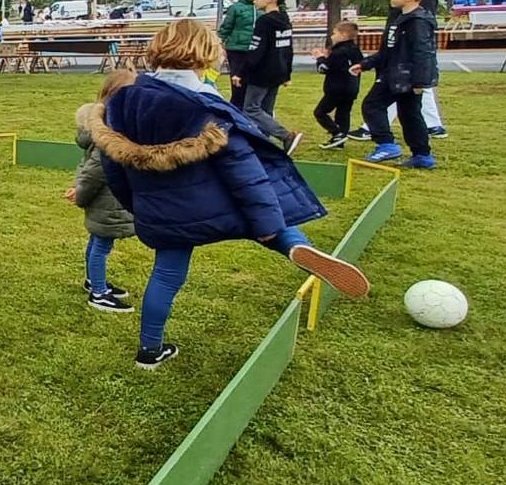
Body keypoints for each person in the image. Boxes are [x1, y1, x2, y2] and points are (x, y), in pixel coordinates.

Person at [86, 19, 368, 368]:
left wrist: (137, 205)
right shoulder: (209, 108)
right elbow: (247, 175)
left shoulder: (125, 99)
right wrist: (265, 223)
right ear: (205, 56)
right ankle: (291, 244)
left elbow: (114, 163)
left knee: (167, 274)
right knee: (262, 219)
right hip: (208, 206)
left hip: (159, 209)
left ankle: (149, 351)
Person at [69, 68, 138, 313]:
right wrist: (80, 192)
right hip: (107, 199)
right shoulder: (110, 131)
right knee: (102, 243)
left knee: (98, 239)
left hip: (109, 196)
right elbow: (95, 169)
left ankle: (93, 281)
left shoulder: (107, 124)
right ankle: (98, 293)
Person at [358, 0, 439, 168]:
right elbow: (389, 49)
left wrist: (420, 81)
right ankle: (422, 155)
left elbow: (423, 52)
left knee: (372, 105)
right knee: (409, 114)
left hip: (404, 76)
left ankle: (386, 144)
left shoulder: (418, 22)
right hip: (395, 72)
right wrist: (366, 64)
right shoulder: (400, 18)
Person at [386, 0, 447, 136]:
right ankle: (433, 124)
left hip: (410, 43)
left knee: (410, 83)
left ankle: (374, 125)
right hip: (404, 40)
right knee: (410, 84)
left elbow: (420, 18)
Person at [237, 0, 300, 151]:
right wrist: (287, 73)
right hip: (277, 71)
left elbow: (256, 50)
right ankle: (263, 144)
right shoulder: (285, 19)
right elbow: (288, 48)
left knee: (251, 109)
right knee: (266, 109)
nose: (254, 1)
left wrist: (241, 72)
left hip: (262, 72)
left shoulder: (264, 22)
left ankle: (285, 136)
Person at [313, 20, 363, 148]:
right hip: (352, 87)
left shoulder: (339, 52)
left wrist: (320, 58)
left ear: (344, 35)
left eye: (334, 33)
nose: (332, 36)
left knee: (320, 112)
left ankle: (337, 133)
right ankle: (339, 142)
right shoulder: (355, 50)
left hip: (336, 88)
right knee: (343, 113)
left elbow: (324, 68)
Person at [217, 0, 259, 109]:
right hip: (238, 49)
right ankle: (236, 109)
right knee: (238, 84)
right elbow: (226, 27)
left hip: (257, 50)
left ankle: (252, 109)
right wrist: (220, 42)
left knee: (255, 83)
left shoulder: (262, 8)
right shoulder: (236, 8)